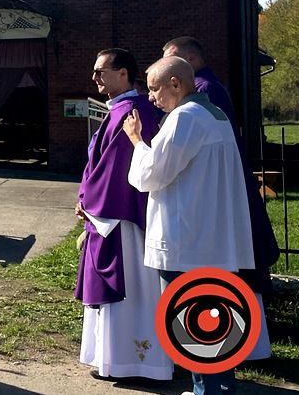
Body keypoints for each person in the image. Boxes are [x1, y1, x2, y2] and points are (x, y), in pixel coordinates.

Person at [125, 56, 254, 395]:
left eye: (154, 89)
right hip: (213, 238)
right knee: (218, 322)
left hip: (186, 241)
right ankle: (217, 388)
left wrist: (137, 140)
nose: (151, 97)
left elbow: (152, 174)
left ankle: (206, 391)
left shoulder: (184, 117)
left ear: (176, 85)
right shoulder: (216, 115)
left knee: (193, 324)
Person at [162, 37, 278, 357]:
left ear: (191, 58)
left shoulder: (202, 93)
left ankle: (232, 349)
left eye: (173, 60)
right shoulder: (207, 90)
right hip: (224, 186)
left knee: (226, 272)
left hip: (216, 192)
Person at [74, 50, 171, 381]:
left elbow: (116, 169)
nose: (95, 78)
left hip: (124, 218)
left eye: (101, 71)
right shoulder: (120, 110)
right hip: (115, 214)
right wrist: (85, 195)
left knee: (134, 290)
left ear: (124, 74)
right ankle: (114, 359)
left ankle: (135, 362)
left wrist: (89, 200)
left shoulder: (132, 112)